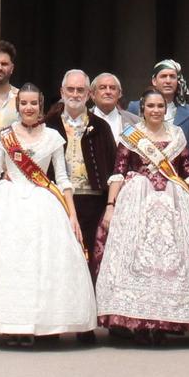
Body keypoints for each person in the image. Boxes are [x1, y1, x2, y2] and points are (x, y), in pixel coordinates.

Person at [0, 84, 98, 344]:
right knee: (9, 264)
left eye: (33, 104)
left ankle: (44, 325)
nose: (28, 108)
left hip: (43, 204)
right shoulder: (4, 136)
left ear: (41, 106)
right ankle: (10, 325)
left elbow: (61, 178)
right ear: (18, 107)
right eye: (24, 103)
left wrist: (71, 215)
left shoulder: (53, 137)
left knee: (42, 265)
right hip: (7, 201)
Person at [95, 88, 189, 340]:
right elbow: (119, 171)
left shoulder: (177, 135)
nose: (156, 110)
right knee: (137, 261)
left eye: (160, 106)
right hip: (137, 201)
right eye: (151, 106)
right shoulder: (131, 136)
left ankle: (164, 323)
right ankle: (134, 321)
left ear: (165, 109)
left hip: (173, 202)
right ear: (142, 109)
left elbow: (188, 171)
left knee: (169, 265)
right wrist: (111, 206)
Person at [46, 69, 117, 258]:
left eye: (80, 90)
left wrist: (110, 204)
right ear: (62, 92)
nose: (75, 94)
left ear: (88, 94)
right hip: (57, 200)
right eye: (70, 89)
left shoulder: (101, 126)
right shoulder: (49, 124)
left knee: (90, 255)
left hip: (93, 202)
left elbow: (113, 168)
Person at [128, 60, 189, 155]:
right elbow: (128, 144)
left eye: (172, 77)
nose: (168, 81)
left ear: (178, 81)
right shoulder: (135, 108)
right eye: (163, 76)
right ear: (154, 81)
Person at [90, 72, 132, 140]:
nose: (108, 92)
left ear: (119, 94)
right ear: (92, 94)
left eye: (112, 88)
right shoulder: (82, 120)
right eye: (102, 88)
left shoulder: (135, 122)